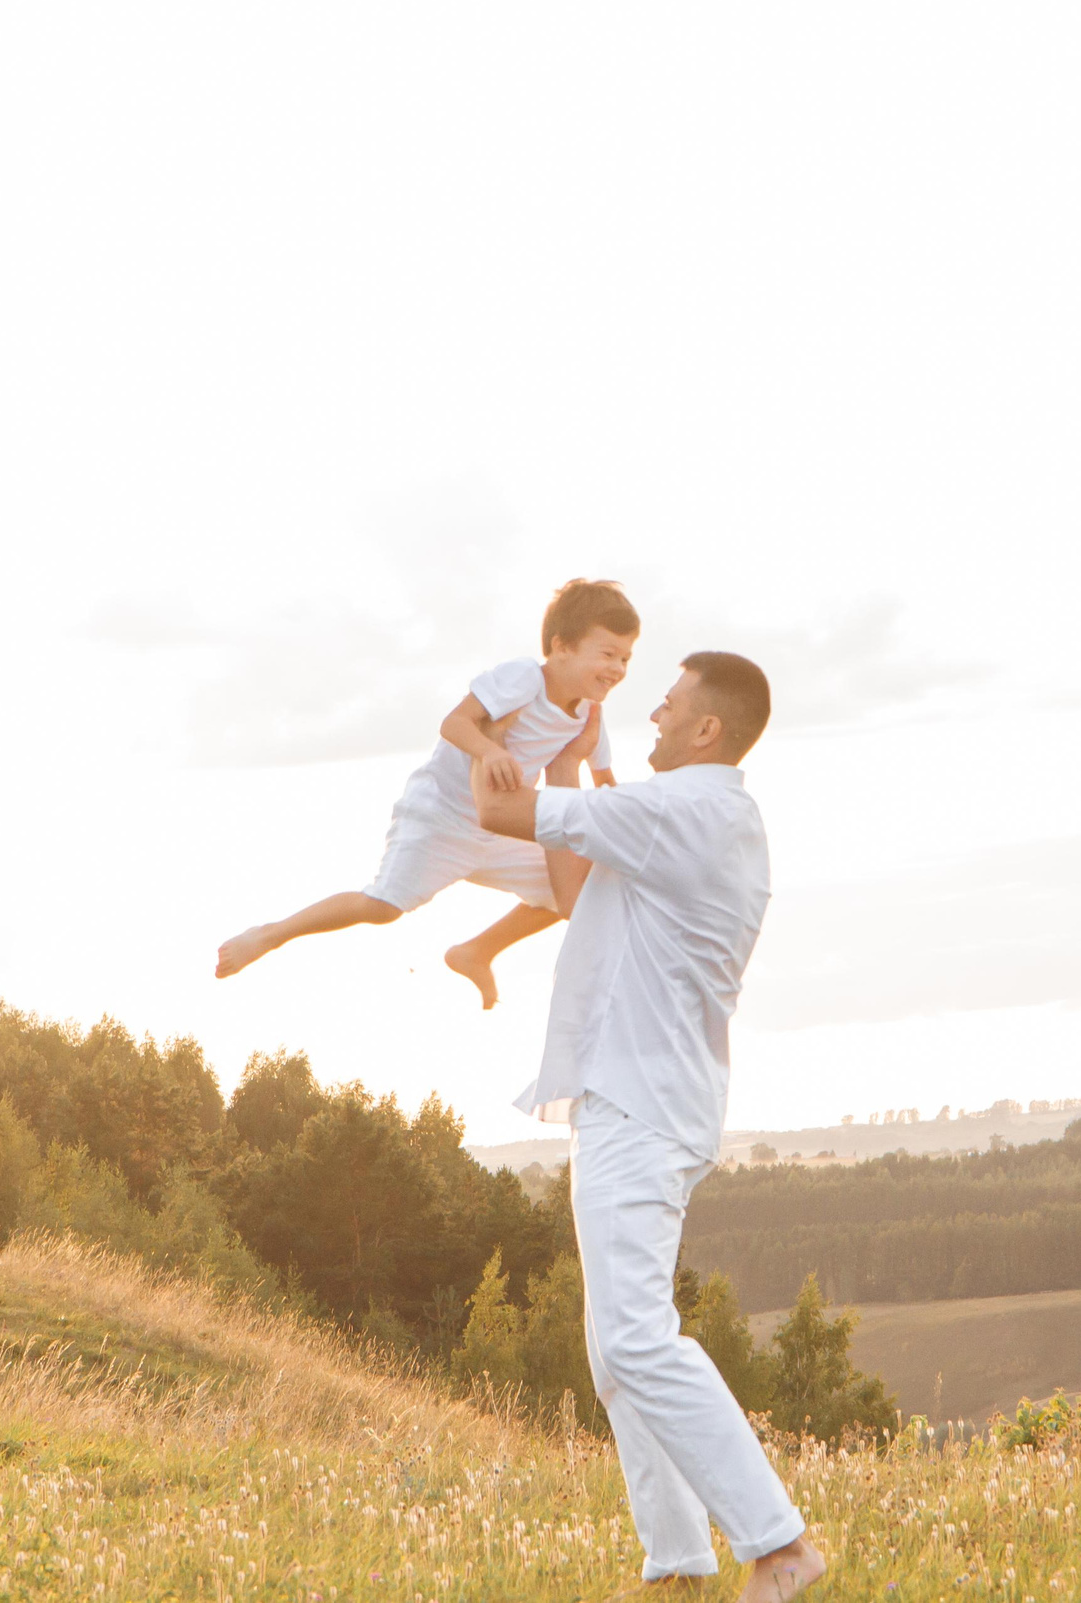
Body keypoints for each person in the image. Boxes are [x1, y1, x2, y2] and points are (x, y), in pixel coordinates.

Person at [473, 651, 828, 1602]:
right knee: (615, 1350)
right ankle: (676, 1563)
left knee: (633, 1339)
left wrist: (493, 725)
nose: (655, 714)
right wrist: (564, 764)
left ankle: (781, 1543)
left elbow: (495, 813)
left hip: (643, 1104)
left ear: (707, 729)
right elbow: (571, 887)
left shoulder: (688, 810)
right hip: (636, 1100)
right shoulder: (696, 819)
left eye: (667, 704)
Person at [213, 579, 637, 1006]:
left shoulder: (588, 712)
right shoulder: (524, 678)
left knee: (579, 889)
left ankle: (477, 951)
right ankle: (270, 935)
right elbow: (454, 724)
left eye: (625, 657)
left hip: (502, 827)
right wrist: (489, 751)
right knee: (383, 906)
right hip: (441, 816)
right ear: (562, 646)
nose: (618, 668)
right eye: (607, 654)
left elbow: (605, 782)